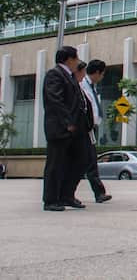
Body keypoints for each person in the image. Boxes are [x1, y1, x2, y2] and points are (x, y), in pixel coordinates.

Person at [42, 46, 87, 211]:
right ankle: (51, 200)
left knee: (80, 161)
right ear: (69, 59)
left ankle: (67, 195)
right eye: (76, 59)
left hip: (74, 129)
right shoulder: (54, 74)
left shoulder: (70, 76)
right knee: (56, 164)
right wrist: (67, 122)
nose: (77, 62)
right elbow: (55, 100)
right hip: (60, 128)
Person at [79, 60, 112, 203]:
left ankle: (99, 193)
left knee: (90, 160)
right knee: (88, 161)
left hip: (91, 128)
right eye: (102, 74)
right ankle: (67, 193)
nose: (102, 77)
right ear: (97, 72)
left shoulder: (92, 86)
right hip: (84, 128)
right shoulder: (82, 85)